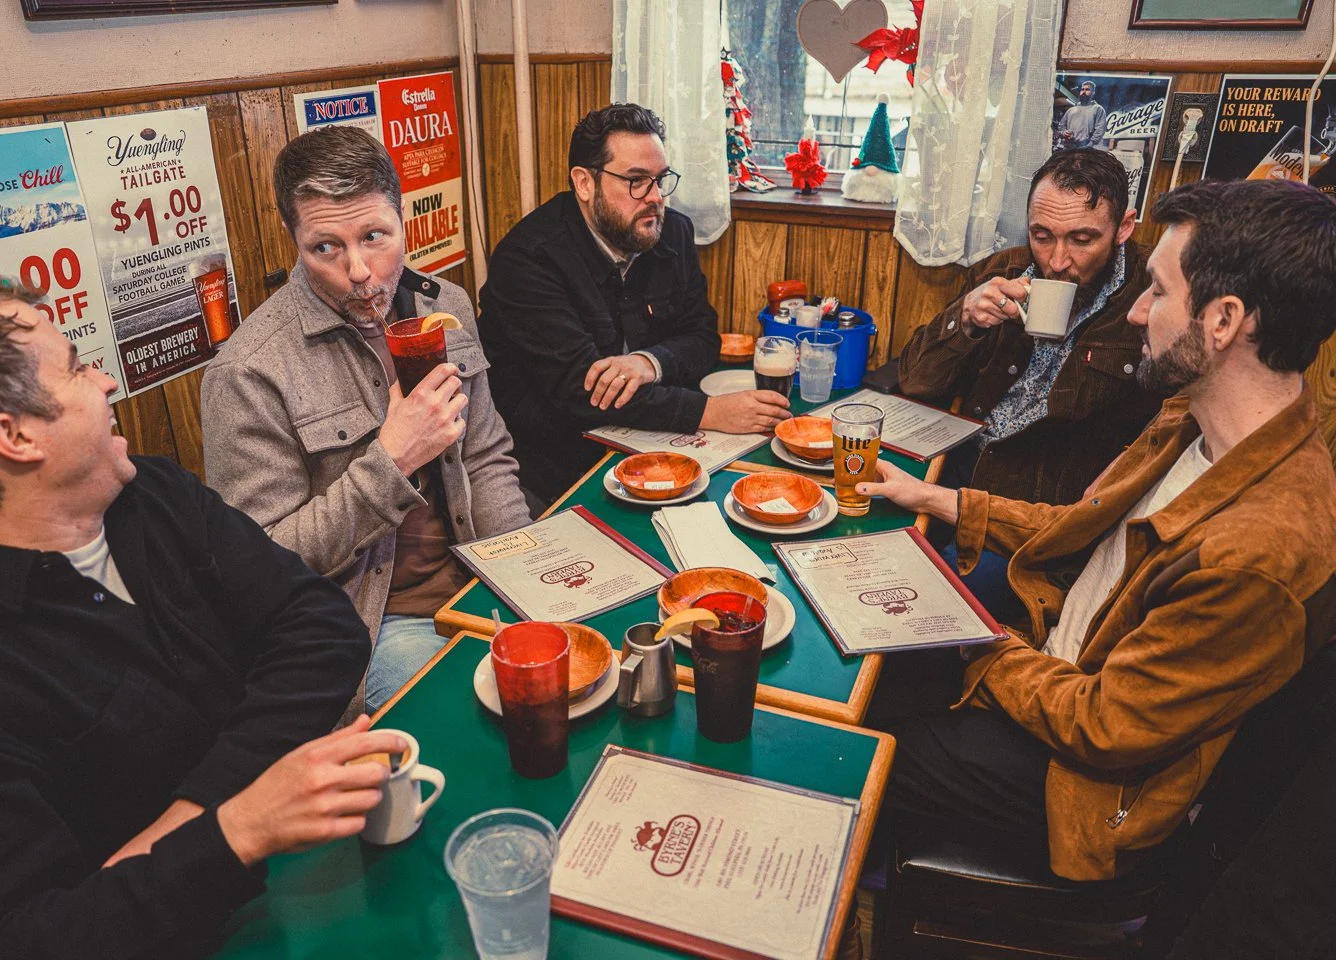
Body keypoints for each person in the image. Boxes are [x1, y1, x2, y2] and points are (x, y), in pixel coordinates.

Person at [0, 261, 401, 959]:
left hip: (296, 884)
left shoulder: (151, 493)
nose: (105, 381)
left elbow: (322, 628)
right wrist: (237, 829)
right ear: (15, 438)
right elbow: (15, 938)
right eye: (76, 368)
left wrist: (198, 819)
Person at [865, 178, 1336, 882]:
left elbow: (1104, 727)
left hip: (1078, 782)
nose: (1138, 311)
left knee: (846, 742)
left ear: (1224, 320)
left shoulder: (1259, 550)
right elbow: (1085, 528)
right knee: (867, 656)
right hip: (1047, 658)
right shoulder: (1193, 415)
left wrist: (984, 648)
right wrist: (939, 498)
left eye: (1158, 291)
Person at [201, 126, 530, 712]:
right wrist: (392, 461)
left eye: (375, 237)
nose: (358, 270)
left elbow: (485, 456)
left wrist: (520, 571)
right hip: (376, 624)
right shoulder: (248, 371)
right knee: (479, 721)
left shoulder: (445, 307)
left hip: (482, 577)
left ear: (403, 222)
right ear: (294, 241)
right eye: (325, 247)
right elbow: (260, 567)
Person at [478, 103, 791, 506]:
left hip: (653, 446)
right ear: (584, 183)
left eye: (660, 180)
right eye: (637, 181)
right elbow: (582, 393)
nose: (656, 197)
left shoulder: (672, 232)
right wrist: (709, 412)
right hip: (554, 467)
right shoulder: (529, 259)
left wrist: (649, 362)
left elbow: (702, 337)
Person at [898, 149, 1162, 510]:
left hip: (1046, 501)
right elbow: (914, 383)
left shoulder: (1154, 294)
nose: (1057, 261)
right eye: (1042, 236)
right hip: (963, 467)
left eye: (1082, 240)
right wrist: (966, 318)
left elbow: (1177, 418)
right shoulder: (1002, 273)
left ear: (1124, 228)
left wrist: (1126, 468)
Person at [1055, 80, 1108, 151]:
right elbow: (1061, 127)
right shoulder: (1071, 110)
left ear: (1093, 93)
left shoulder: (1097, 109)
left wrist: (1090, 144)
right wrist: (1063, 133)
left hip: (1086, 149)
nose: (1084, 92)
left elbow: (1100, 128)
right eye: (1082, 89)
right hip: (1069, 148)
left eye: (1087, 89)